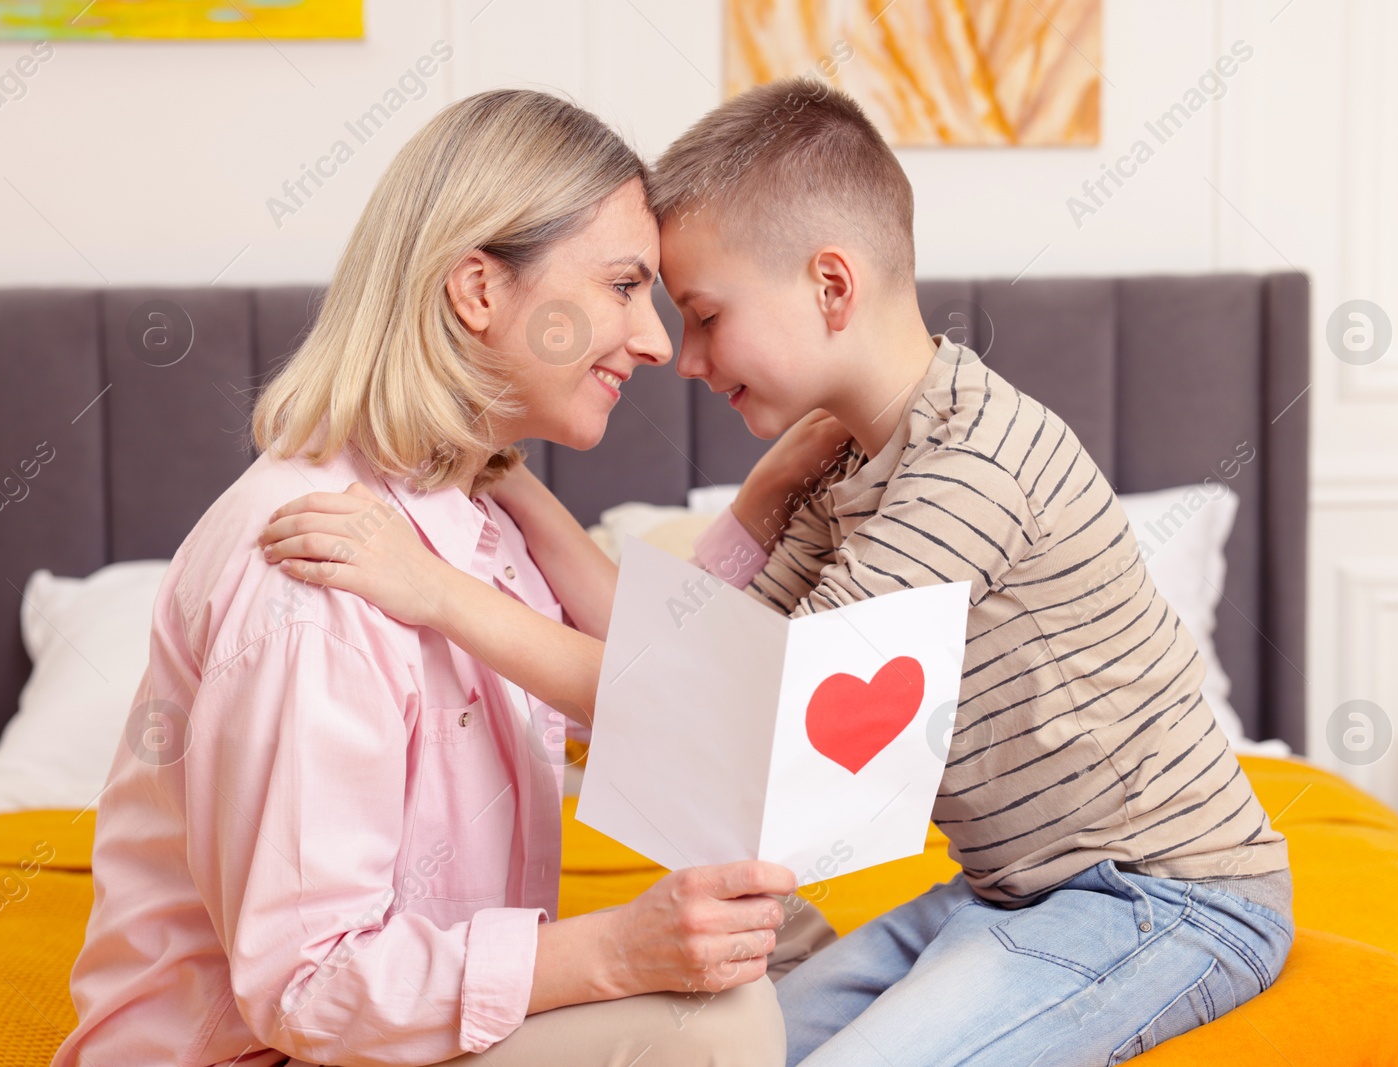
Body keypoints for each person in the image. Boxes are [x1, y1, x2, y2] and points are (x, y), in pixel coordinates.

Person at [266, 78, 1295, 1066]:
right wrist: (513, 486)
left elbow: (736, 705)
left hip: (1165, 897)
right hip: (1011, 889)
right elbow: (685, 659)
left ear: (830, 286)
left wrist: (438, 592)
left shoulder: (970, 468)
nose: (687, 356)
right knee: (722, 1051)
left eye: (705, 314)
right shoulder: (848, 461)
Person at [54, 89, 837, 1067]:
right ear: (477, 290)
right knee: (720, 1025)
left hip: (388, 1034)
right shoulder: (320, 570)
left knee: (793, 947)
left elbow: (672, 687)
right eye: (624, 286)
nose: (652, 342)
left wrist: (764, 493)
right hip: (273, 1049)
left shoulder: (480, 523)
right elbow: (307, 986)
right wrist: (613, 950)